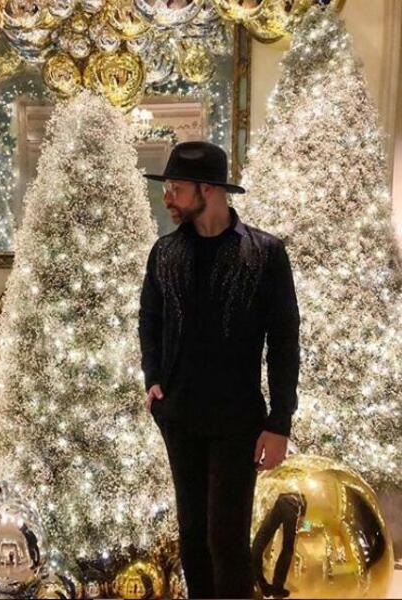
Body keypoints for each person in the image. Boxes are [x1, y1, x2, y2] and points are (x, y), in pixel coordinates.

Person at [138, 141, 301, 599]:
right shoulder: (165, 252)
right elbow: (149, 318)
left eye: (176, 188)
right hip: (180, 417)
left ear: (207, 189)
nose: (168, 197)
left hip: (238, 421)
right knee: (193, 537)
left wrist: (280, 422)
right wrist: (153, 378)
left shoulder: (264, 254)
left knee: (226, 540)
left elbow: (284, 339)